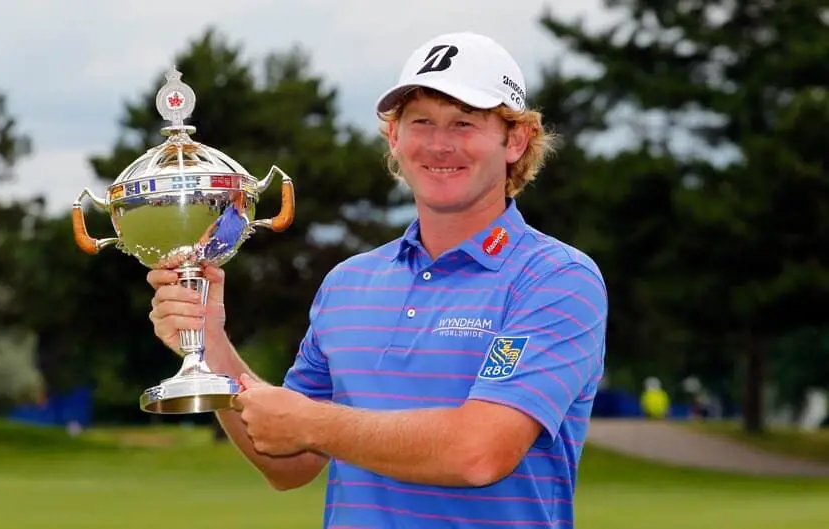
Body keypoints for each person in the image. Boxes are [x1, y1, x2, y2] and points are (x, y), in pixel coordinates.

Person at [148, 31, 607, 529]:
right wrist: (212, 344)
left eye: (464, 123)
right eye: (421, 122)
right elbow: (289, 463)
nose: (439, 143)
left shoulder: (556, 278)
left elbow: (479, 453)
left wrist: (312, 423)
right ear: (394, 137)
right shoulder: (347, 284)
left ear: (515, 140)